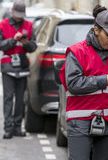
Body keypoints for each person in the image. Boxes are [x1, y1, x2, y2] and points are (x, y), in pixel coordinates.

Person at [60, 5, 108, 160]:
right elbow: (73, 84)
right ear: (96, 29)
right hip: (80, 122)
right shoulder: (76, 52)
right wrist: (105, 80)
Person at [0, 0, 37, 139]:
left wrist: (25, 42)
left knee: (21, 99)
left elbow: (33, 47)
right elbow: (1, 45)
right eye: (17, 14)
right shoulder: (2, 25)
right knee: (9, 98)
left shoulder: (29, 25)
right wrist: (12, 40)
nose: (19, 17)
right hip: (8, 65)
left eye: (21, 14)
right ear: (12, 12)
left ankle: (17, 127)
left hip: (22, 65)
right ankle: (8, 128)